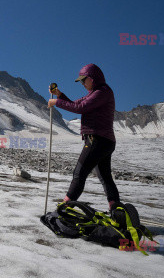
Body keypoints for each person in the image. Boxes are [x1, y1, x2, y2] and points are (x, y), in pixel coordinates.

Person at [47, 64, 120, 211]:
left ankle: (64, 208)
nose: (82, 84)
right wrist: (59, 95)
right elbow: (75, 104)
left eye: (83, 80)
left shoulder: (102, 92)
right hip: (105, 141)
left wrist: (56, 102)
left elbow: (80, 108)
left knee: (79, 173)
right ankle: (116, 210)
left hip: (97, 140)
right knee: (105, 177)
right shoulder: (96, 93)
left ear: (92, 79)